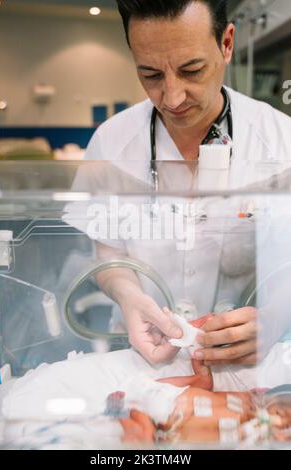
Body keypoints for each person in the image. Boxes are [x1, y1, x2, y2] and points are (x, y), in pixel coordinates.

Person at [84, 0, 291, 366]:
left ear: (227, 44)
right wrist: (128, 296)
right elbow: (108, 252)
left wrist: (275, 316)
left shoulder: (281, 140)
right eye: (150, 75)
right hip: (143, 357)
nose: (173, 97)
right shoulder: (110, 142)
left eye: (192, 70)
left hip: (246, 362)